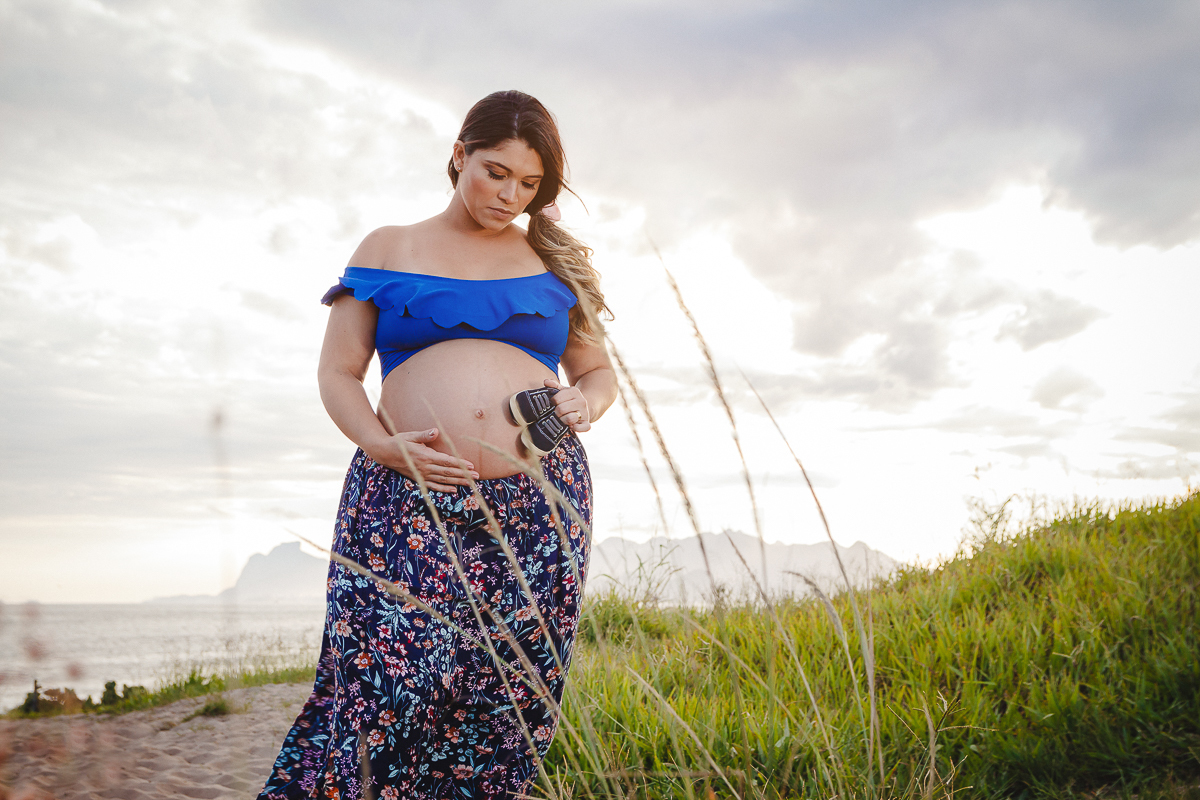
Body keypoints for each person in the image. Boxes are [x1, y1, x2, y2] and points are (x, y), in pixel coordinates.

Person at [258, 90, 616, 800]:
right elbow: (338, 373)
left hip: (539, 504)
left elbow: (598, 373)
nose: (508, 194)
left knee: (508, 691)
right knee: (381, 679)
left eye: (529, 183)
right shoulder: (388, 248)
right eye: (495, 171)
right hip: (403, 491)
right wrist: (378, 445)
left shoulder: (549, 259)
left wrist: (587, 402)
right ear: (459, 155)